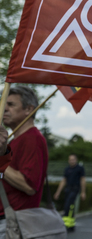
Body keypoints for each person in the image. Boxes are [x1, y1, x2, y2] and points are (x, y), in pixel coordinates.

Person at [0, 86, 49, 238]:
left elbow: (28, 185)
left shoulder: (32, 139)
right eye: (3, 104)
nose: (4, 109)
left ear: (28, 109)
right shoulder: (16, 141)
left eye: (11, 104)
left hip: (14, 223)